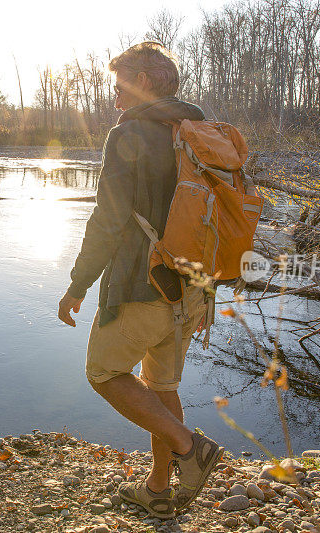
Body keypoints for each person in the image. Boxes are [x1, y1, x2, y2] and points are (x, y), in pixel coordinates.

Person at [57, 42, 223, 519]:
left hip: (143, 286)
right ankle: (159, 490)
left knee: (104, 373)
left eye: (120, 86)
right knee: (162, 385)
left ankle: (192, 449)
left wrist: (78, 283)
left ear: (144, 82)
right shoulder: (197, 132)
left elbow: (108, 220)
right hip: (192, 287)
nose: (115, 100)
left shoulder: (128, 134)